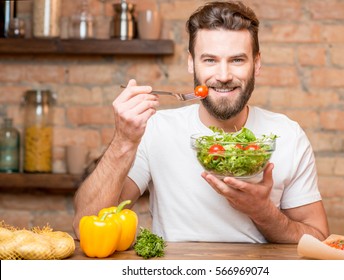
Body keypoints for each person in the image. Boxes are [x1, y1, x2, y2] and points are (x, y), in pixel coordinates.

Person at [73, 1, 329, 243]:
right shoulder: (157, 129)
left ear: (257, 64)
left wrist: (263, 212)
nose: (224, 75)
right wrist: (123, 140)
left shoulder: (286, 134)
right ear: (191, 63)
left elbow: (318, 236)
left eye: (237, 60)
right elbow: (86, 224)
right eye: (210, 60)